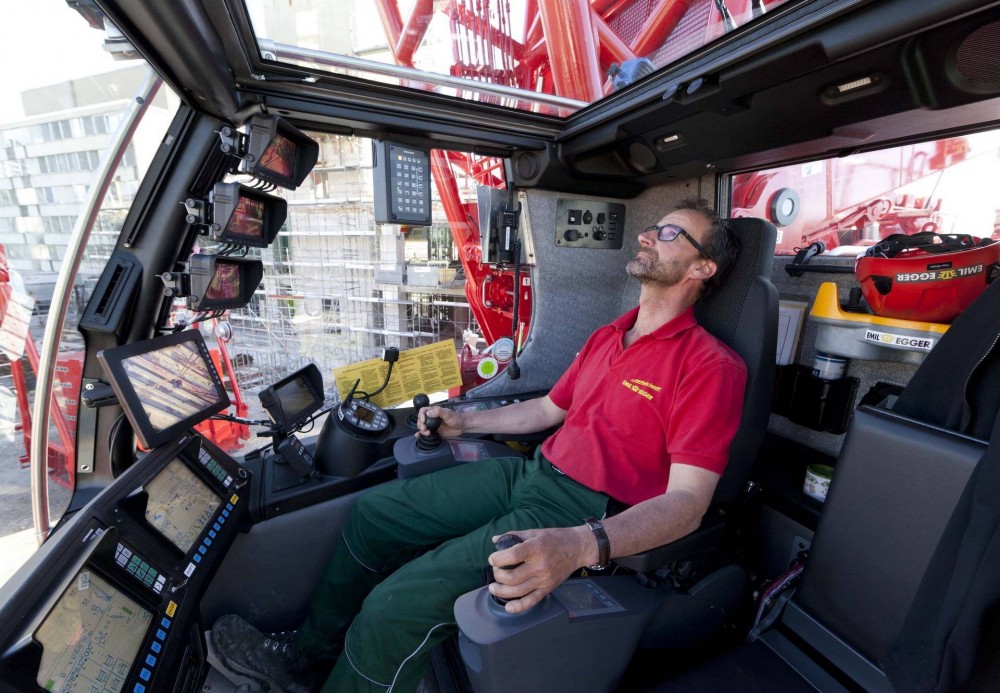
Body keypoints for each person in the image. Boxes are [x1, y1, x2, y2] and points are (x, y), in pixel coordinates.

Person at [211, 197, 747, 692]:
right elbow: (548, 410)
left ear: (702, 269)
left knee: (394, 608)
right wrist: (465, 424)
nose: (649, 236)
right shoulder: (610, 334)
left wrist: (583, 544)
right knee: (374, 515)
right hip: (531, 474)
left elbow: (688, 504)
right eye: (653, 226)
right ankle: (308, 656)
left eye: (671, 232)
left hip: (581, 512)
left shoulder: (711, 366)